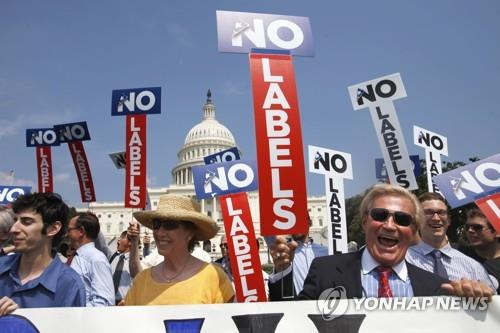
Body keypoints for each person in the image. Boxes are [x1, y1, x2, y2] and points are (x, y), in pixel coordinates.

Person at [270, 184, 494, 301]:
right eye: (380, 215)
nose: (389, 225)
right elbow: (291, 322)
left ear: (413, 229)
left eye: (402, 219)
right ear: (366, 220)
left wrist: (473, 303)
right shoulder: (325, 271)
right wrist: (282, 272)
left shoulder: (435, 286)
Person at [124, 194, 234, 305]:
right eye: (156, 224)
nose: (160, 233)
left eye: (170, 225)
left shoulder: (214, 278)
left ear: (190, 232)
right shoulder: (141, 282)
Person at [0, 193, 85, 315]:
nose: (14, 229)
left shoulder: (69, 285)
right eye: (15, 221)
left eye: (26, 222)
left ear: (53, 229)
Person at [406, 192, 496, 290]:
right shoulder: (404, 260)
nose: (436, 218)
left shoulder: (473, 266)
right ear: (417, 219)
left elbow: (493, 302)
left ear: (448, 220)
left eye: (441, 213)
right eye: (428, 212)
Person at [268, 217, 328, 299]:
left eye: (300, 219)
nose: (296, 224)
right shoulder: (285, 251)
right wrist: (279, 270)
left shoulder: (326, 251)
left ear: (309, 222)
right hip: (296, 306)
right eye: (293, 220)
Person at [67, 212, 115, 306]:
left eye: (69, 230)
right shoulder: (78, 257)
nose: (66, 234)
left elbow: (104, 302)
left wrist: (77, 312)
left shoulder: (96, 259)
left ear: (81, 231)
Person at [460, 208, 500, 293]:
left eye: (477, 227)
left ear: (496, 232)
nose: (470, 231)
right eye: (467, 227)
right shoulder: (459, 252)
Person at [110, 231, 132, 304]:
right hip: (110, 303)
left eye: (122, 238)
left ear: (130, 242)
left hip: (125, 304)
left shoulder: (134, 263)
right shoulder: (113, 258)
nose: (119, 240)